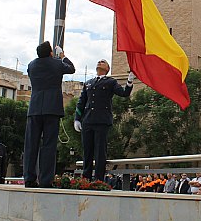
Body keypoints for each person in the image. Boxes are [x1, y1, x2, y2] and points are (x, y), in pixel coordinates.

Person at [24, 41, 75, 188]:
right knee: (49, 145)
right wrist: (63, 57)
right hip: (52, 108)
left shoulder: (31, 65)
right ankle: (45, 180)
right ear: (51, 53)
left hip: (34, 108)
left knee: (31, 145)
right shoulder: (57, 64)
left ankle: (29, 178)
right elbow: (71, 69)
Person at [74, 59, 133, 182]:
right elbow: (81, 102)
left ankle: (98, 180)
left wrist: (129, 82)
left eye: (103, 62)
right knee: (87, 151)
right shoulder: (89, 83)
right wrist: (77, 119)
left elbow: (124, 93)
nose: (100, 62)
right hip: (88, 120)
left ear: (107, 68)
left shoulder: (110, 82)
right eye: (99, 61)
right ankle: (86, 178)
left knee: (100, 151)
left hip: (102, 120)